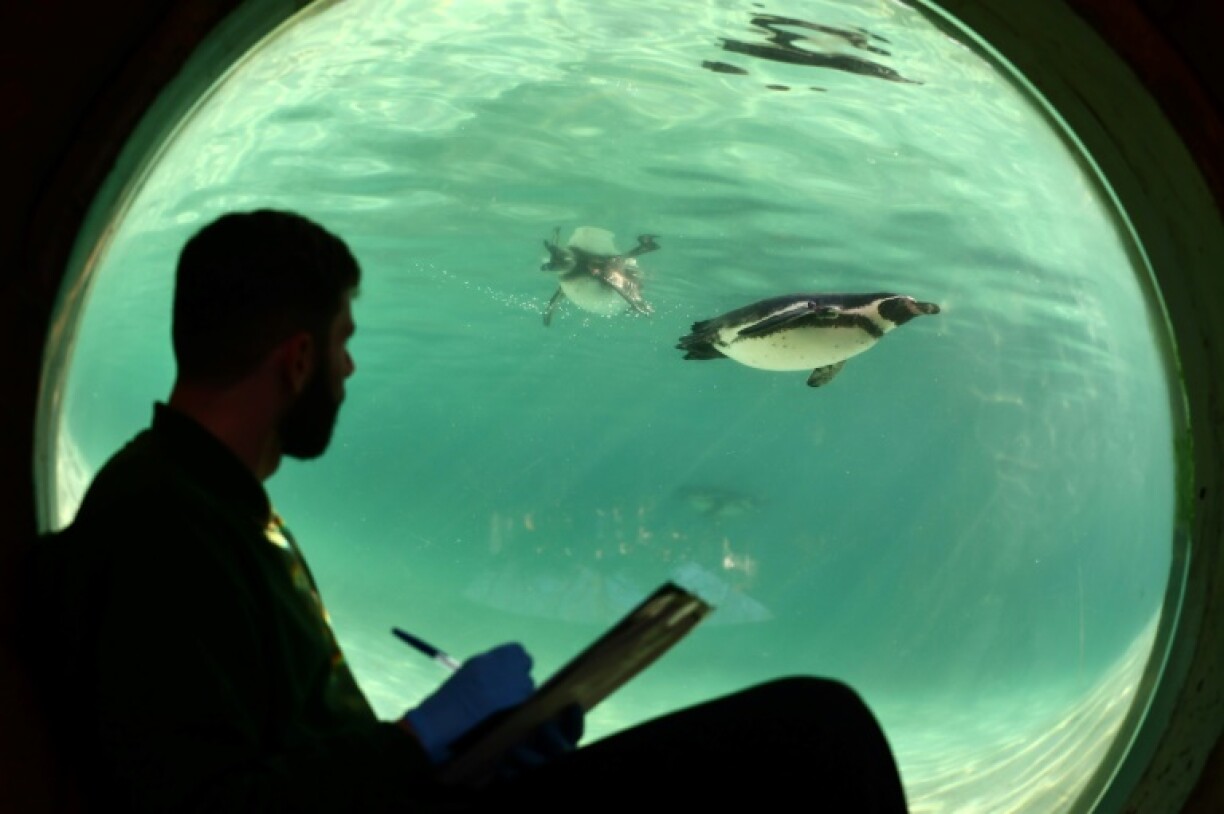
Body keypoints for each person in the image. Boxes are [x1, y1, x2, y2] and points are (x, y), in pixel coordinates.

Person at [25, 209, 909, 812]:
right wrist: (419, 742)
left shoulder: (197, 504)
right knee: (813, 735)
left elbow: (279, 751)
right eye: (342, 346)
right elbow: (206, 802)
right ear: (295, 361)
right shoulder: (162, 532)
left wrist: (465, 749)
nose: (349, 372)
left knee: (805, 733)